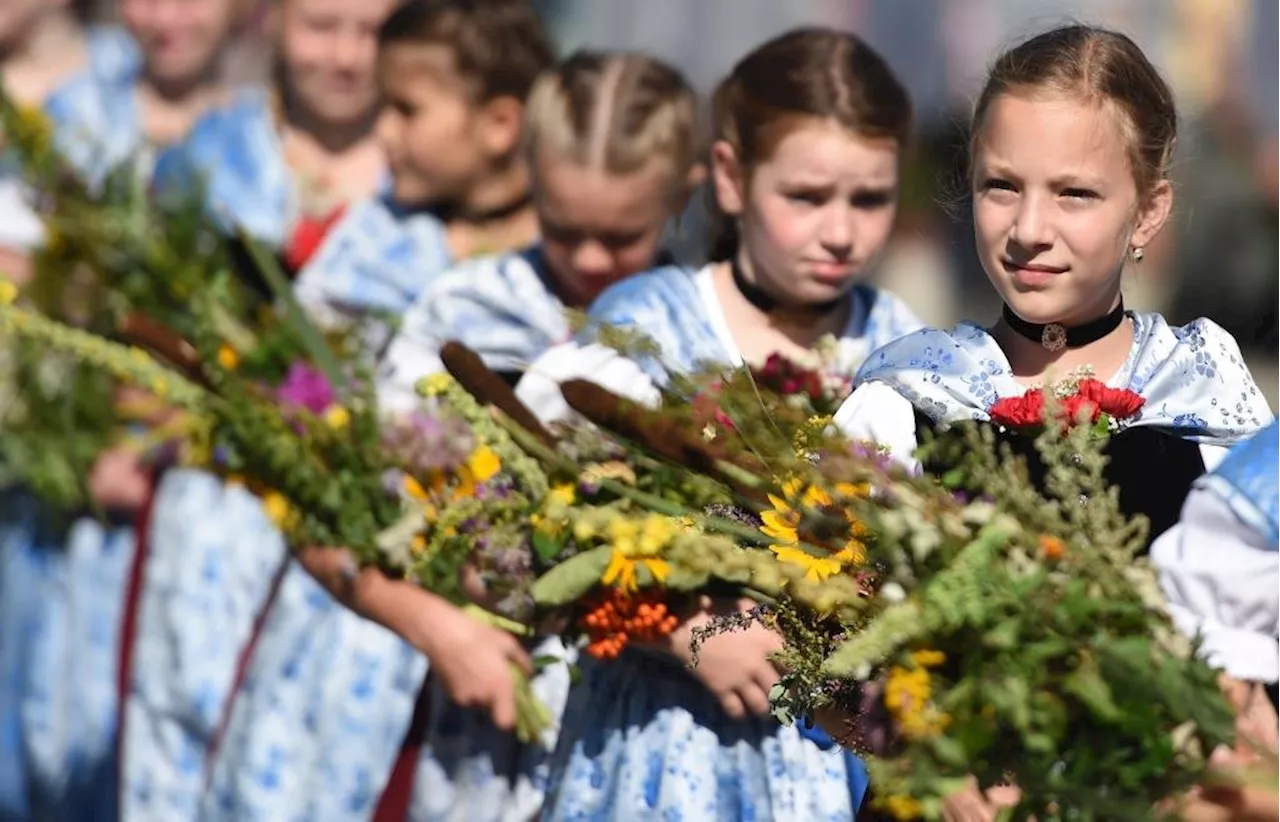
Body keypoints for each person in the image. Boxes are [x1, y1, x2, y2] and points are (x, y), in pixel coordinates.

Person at [829, 25, 1274, 820]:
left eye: (1074, 194)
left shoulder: (1204, 391)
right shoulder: (909, 394)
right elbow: (821, 644)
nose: (1030, 228)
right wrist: (920, 755)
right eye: (1003, 186)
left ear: (1148, 211)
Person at [516, 28, 924, 821]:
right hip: (656, 757)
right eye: (806, 197)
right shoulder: (652, 330)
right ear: (732, 179)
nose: (840, 232)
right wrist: (681, 628)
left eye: (869, 199)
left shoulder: (906, 348)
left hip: (834, 771)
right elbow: (525, 526)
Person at [195, 3, 554, 820]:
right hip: (342, 660)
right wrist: (430, 622)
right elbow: (298, 470)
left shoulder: (571, 267)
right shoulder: (372, 246)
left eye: (408, 110)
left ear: (500, 124)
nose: (382, 133)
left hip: (510, 697)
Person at [323, 49, 701, 821]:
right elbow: (366, 503)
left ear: (685, 196)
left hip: (638, 738)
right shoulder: (463, 310)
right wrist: (440, 620)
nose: (592, 259)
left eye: (622, 235)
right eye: (563, 228)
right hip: (481, 720)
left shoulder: (698, 331)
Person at [116, 3, 398, 820]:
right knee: (180, 736)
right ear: (274, 23)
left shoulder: (424, 172)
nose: (345, 57)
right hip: (212, 508)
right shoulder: (211, 157)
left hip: (355, 528)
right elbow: (146, 335)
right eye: (321, 26)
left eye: (372, 31)